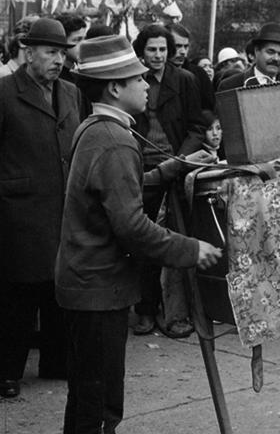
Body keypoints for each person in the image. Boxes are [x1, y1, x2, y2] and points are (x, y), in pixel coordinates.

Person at [55, 34, 221, 433]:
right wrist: (190, 248)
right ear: (115, 87)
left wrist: (171, 168)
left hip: (87, 282)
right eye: (138, 79)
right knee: (98, 400)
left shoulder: (97, 129)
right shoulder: (114, 140)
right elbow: (130, 224)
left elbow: (117, 192)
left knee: (89, 392)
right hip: (98, 287)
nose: (148, 86)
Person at [0, 18, 81, 399]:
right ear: (28, 53)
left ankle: (55, 362)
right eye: (50, 52)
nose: (58, 60)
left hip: (62, 205)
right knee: (18, 294)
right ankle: (6, 371)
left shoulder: (70, 92)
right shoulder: (4, 92)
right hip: (18, 211)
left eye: (62, 53)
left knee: (56, 288)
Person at [130, 24, 205, 337]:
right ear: (142, 51)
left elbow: (198, 128)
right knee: (144, 244)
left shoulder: (185, 80)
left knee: (176, 242)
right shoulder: (133, 81)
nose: (158, 56)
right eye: (152, 50)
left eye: (163, 49)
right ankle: (146, 310)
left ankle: (176, 313)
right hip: (143, 172)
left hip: (177, 170)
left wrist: (180, 161)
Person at [218, 23, 280, 151]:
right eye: (270, 52)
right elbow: (225, 134)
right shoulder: (231, 85)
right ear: (256, 52)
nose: (276, 58)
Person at [167, 23, 215, 110]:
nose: (183, 52)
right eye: (178, 46)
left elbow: (208, 108)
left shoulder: (199, 74)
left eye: (186, 47)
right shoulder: (154, 74)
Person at [54, 14, 88, 84]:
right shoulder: (55, 77)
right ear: (62, 41)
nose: (84, 44)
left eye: (84, 39)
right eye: (77, 40)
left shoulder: (77, 74)